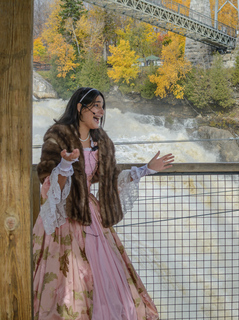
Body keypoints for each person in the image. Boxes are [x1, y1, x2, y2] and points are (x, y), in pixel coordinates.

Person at [33, 87, 174, 320]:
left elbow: (111, 179)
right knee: (67, 282)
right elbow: (48, 184)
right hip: (64, 216)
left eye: (102, 105)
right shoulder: (57, 136)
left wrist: (145, 169)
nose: (101, 111)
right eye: (96, 105)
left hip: (91, 215)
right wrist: (66, 165)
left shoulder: (101, 141)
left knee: (109, 281)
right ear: (80, 107)